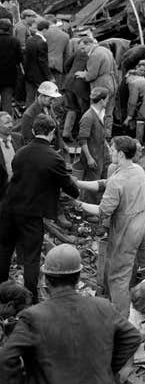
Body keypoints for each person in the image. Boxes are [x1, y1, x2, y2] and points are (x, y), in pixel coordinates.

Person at [0, 244, 140, 384]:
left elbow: (7, 358)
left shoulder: (33, 316)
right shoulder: (103, 306)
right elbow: (132, 337)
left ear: (46, 278)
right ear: (78, 277)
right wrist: (107, 368)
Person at [76, 136, 145, 317]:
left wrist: (77, 204)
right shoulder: (138, 170)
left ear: (120, 153)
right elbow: (104, 184)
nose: (110, 152)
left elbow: (103, 211)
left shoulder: (118, 181)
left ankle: (122, 320)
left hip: (129, 232)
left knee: (118, 278)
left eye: (111, 149)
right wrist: (78, 183)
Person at [0, 114, 79, 301]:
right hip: (32, 213)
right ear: (52, 133)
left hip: (8, 209)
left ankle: (1, 293)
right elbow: (71, 189)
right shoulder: (54, 158)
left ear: (34, 131)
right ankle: (30, 297)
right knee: (31, 258)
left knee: (4, 251)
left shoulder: (21, 152)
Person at [75, 35, 117, 137]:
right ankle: (107, 135)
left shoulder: (94, 55)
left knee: (97, 110)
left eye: (83, 48)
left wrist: (83, 74)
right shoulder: (105, 50)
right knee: (109, 111)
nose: (82, 51)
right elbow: (115, 67)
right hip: (112, 82)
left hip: (101, 84)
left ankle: (97, 136)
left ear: (89, 44)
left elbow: (91, 75)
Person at [77, 87, 110, 184]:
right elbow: (82, 140)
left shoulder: (100, 114)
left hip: (100, 155)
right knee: (92, 185)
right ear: (101, 101)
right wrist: (89, 158)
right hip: (93, 157)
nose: (108, 101)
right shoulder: (88, 117)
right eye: (107, 99)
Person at [61, 37, 91, 142]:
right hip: (80, 86)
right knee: (84, 110)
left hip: (68, 83)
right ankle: (82, 134)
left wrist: (70, 74)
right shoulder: (91, 55)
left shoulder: (77, 53)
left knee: (71, 108)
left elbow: (66, 65)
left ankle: (66, 133)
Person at [21, 81, 63, 149]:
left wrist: (62, 144)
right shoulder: (29, 114)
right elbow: (27, 139)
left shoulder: (48, 107)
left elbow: (56, 128)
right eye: (51, 99)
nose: (52, 102)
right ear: (42, 95)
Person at [23, 18, 51, 105]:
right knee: (41, 99)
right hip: (39, 75)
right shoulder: (42, 42)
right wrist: (49, 76)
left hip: (29, 74)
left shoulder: (29, 40)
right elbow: (43, 61)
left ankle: (29, 116)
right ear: (45, 29)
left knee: (30, 98)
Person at [0, 20, 22, 113]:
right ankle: (6, 123)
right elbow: (19, 58)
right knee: (7, 101)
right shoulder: (15, 41)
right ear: (9, 28)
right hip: (9, 76)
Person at [0, 112, 22, 201]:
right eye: (6, 123)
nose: (10, 125)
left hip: (19, 188)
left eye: (11, 122)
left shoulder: (18, 138)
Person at [43, 16, 70, 87]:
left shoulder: (44, 33)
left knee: (45, 88)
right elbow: (67, 54)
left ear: (48, 22)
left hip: (44, 64)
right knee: (56, 88)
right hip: (58, 64)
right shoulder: (66, 35)